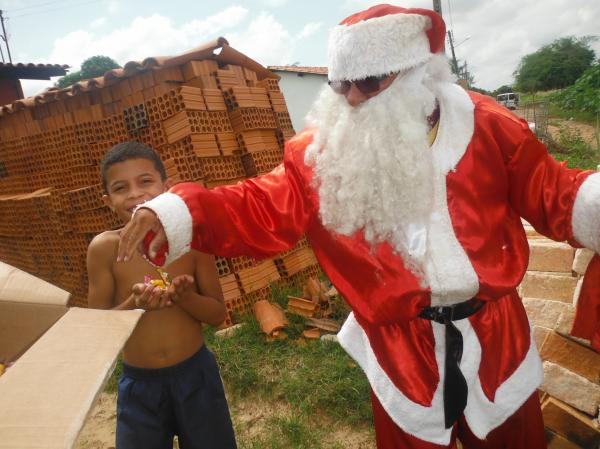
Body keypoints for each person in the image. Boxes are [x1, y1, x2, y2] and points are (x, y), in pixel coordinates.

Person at [116, 5, 600, 449]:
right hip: (400, 351)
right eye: (338, 84)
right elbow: (259, 205)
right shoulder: (319, 155)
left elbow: (555, 192)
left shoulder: (487, 125)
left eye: (368, 81)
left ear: (418, 73)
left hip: (496, 336)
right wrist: (178, 210)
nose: (350, 98)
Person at [86, 141, 237, 449]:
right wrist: (135, 305)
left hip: (196, 377)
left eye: (145, 182)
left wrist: (186, 297)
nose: (135, 194)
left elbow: (218, 314)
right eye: (120, 187)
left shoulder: (191, 241)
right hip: (140, 388)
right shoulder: (103, 250)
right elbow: (96, 329)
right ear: (107, 200)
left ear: (167, 187)